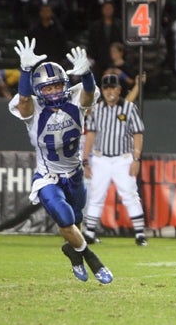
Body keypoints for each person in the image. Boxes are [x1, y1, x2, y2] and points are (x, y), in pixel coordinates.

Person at [8, 37, 113, 284]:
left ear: (65, 85)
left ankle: (73, 251)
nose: (53, 91)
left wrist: (87, 74)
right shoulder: (32, 112)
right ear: (38, 91)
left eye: (57, 86)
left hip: (75, 175)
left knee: (73, 225)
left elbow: (88, 93)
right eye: (47, 88)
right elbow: (23, 102)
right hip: (48, 177)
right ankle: (92, 259)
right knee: (65, 220)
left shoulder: (76, 102)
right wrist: (25, 71)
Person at [82, 73, 147, 246]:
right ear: (102, 90)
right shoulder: (97, 109)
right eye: (106, 88)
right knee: (96, 195)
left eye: (113, 88)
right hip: (100, 158)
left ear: (119, 90)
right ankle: (89, 232)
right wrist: (85, 160)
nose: (110, 91)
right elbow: (90, 135)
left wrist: (136, 158)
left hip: (123, 159)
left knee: (130, 194)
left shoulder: (129, 108)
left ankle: (140, 233)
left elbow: (138, 133)